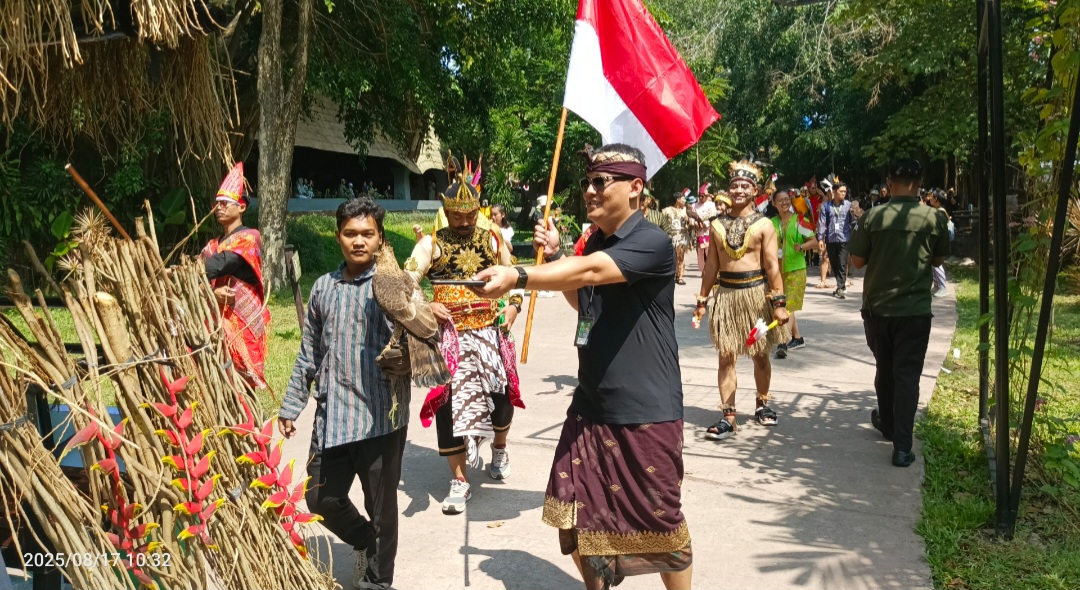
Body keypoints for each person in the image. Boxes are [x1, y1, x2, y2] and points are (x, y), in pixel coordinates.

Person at [471, 143, 692, 590]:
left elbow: (590, 272)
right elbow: (582, 299)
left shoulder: (652, 241)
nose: (589, 191)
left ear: (635, 188)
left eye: (600, 181)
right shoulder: (596, 242)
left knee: (661, 526)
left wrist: (520, 275)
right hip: (590, 404)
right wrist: (555, 259)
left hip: (644, 410)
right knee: (570, 512)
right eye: (586, 182)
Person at [278, 198, 410, 590]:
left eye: (367, 234)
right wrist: (291, 406)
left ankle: (379, 580)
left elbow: (425, 343)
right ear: (338, 238)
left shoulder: (396, 286)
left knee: (382, 509)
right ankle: (365, 541)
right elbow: (309, 354)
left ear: (380, 238)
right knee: (320, 499)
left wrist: (408, 358)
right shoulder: (323, 288)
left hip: (380, 415)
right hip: (333, 416)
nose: (358, 241)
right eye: (350, 233)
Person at [404, 172, 524, 514]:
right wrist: (427, 305)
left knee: (502, 398)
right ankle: (459, 479)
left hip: (490, 331)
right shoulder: (431, 244)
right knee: (447, 404)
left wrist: (513, 307)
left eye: (471, 215)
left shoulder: (493, 239)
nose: (465, 222)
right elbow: (404, 284)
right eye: (458, 216)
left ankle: (498, 447)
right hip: (450, 338)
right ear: (446, 209)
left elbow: (514, 277)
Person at [849, 159, 949, 467]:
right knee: (908, 375)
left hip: (878, 308)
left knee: (885, 368)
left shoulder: (873, 217)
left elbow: (856, 262)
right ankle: (902, 448)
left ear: (888, 184)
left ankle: (889, 425)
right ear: (919, 184)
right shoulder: (934, 218)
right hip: (915, 310)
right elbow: (938, 260)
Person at [693, 160, 790, 439]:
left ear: (755, 189)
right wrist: (702, 299)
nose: (738, 189)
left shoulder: (764, 225)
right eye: (734, 184)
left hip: (756, 298)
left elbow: (772, 266)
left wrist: (779, 303)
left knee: (760, 356)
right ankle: (728, 416)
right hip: (726, 299)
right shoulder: (717, 226)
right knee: (726, 358)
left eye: (744, 185)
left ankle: (762, 403)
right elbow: (711, 266)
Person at [201, 162, 270, 390]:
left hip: (242, 323)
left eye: (224, 203)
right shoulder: (212, 245)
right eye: (216, 204)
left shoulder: (249, 239)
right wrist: (212, 293)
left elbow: (213, 267)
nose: (218, 208)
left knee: (242, 384)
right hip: (216, 323)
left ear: (241, 207)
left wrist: (195, 275)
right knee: (217, 380)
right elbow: (196, 275)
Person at [770, 190, 818, 359]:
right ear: (773, 203)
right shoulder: (771, 223)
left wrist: (802, 247)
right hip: (777, 270)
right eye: (780, 200)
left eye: (786, 199)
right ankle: (797, 338)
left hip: (796, 269)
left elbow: (814, 242)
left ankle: (782, 341)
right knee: (783, 305)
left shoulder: (799, 221)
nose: (784, 202)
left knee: (788, 307)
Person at [816, 179, 856, 299]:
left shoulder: (849, 205)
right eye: (841, 191)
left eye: (845, 191)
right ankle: (840, 286)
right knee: (834, 263)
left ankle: (841, 287)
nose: (844, 193)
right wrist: (820, 239)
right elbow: (822, 223)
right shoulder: (826, 206)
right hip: (831, 238)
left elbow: (853, 221)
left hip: (845, 238)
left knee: (842, 262)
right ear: (834, 192)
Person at [662, 191, 693, 285]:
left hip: (683, 236)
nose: (684, 201)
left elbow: (690, 223)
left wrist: (691, 223)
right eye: (683, 199)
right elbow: (662, 223)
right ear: (678, 200)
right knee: (673, 257)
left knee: (681, 256)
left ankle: (680, 277)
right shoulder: (667, 210)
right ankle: (673, 274)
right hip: (671, 236)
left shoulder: (686, 210)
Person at [926, 190, 952, 297]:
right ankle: (937, 286)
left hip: (939, 240)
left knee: (937, 263)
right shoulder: (938, 210)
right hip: (937, 239)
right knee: (934, 264)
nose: (929, 198)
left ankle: (942, 287)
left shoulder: (940, 211)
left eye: (931, 196)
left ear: (936, 199)